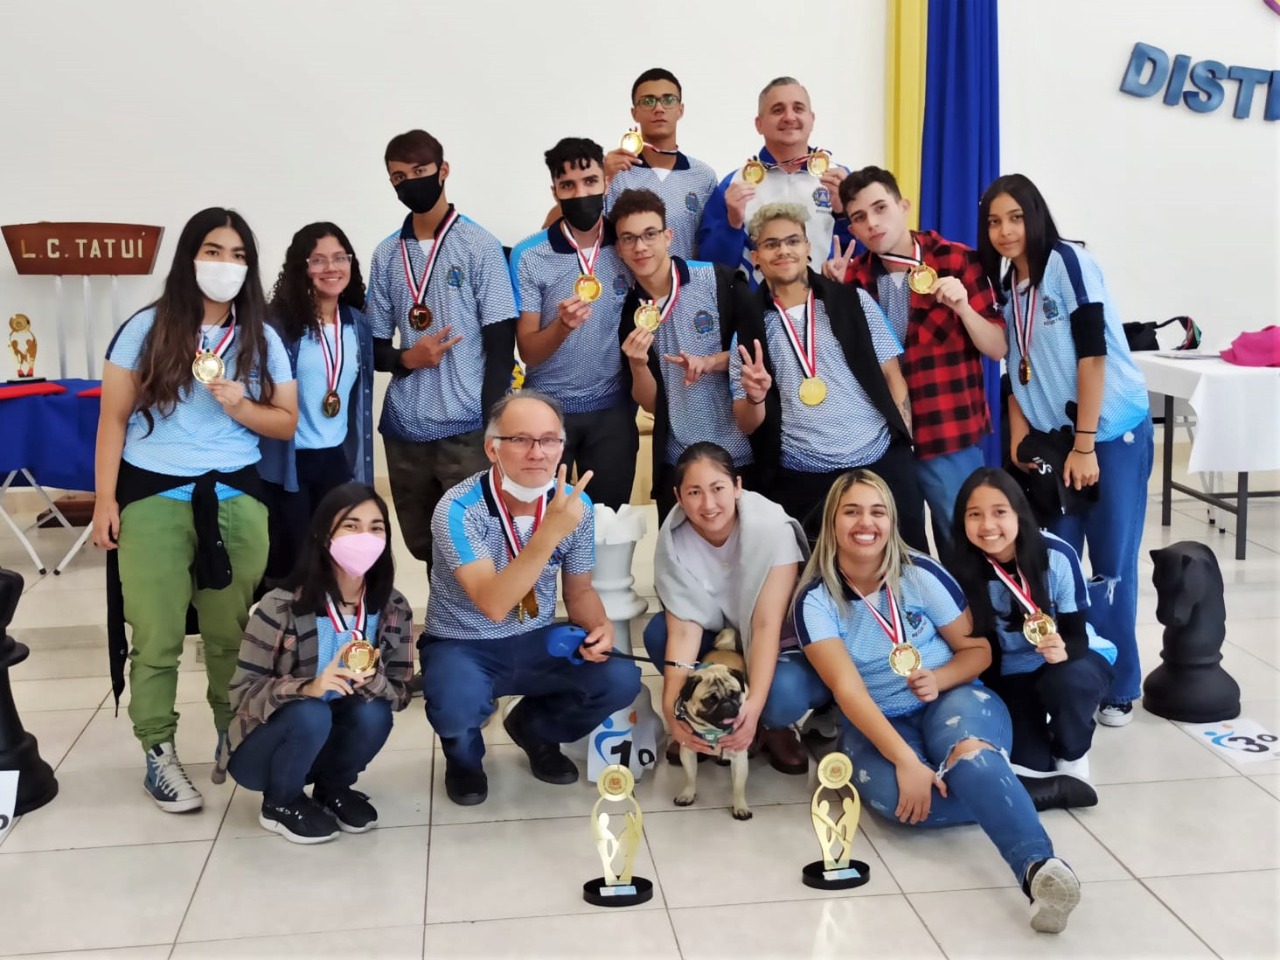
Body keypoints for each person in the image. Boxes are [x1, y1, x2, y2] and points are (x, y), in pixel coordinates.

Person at [794, 470, 1081, 934]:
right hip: (880, 718)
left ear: (891, 521)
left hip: (954, 697)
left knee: (969, 755)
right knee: (902, 803)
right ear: (831, 522)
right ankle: (1013, 791)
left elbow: (980, 650)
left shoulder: (920, 573)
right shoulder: (815, 600)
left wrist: (940, 677)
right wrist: (906, 760)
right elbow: (848, 693)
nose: (864, 523)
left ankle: (1038, 870)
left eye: (877, 511)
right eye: (851, 511)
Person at [91, 207, 297, 813]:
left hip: (235, 497)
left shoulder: (261, 335)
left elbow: (284, 423)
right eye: (213, 251)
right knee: (154, 636)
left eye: (238, 256)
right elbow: (113, 419)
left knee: (230, 635)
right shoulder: (147, 328)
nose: (225, 266)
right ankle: (159, 752)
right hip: (154, 498)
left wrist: (237, 405)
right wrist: (106, 498)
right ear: (188, 258)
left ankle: (234, 740)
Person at [978, 173, 1152, 727]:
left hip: (1109, 435)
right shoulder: (1008, 284)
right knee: (1058, 563)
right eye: (993, 221)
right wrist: (1017, 439)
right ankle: (1071, 673)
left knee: (1110, 566)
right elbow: (1014, 368)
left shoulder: (1068, 263)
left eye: (1015, 217)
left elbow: (1093, 357)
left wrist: (1085, 444)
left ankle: (1120, 683)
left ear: (1035, 215)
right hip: (1054, 443)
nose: (1005, 231)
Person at [420, 391, 642, 806]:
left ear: (562, 446)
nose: (537, 452)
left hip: (535, 638)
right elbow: (493, 604)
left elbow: (579, 590)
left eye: (549, 440)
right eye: (520, 439)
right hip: (463, 642)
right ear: (492, 448)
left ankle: (536, 732)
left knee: (619, 679)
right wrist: (551, 532)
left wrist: (600, 627)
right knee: (455, 702)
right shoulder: (457, 509)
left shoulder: (576, 505)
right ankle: (464, 760)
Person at [728, 202, 926, 550]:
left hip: (878, 461)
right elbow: (745, 423)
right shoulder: (747, 330)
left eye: (793, 240)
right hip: (802, 477)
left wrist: (904, 444)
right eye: (771, 244)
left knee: (906, 567)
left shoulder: (854, 302)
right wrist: (755, 396)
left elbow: (893, 375)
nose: (784, 250)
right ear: (756, 256)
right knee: (815, 578)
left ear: (807, 248)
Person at [834, 167, 1007, 558]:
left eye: (881, 208)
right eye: (859, 217)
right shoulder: (854, 280)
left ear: (904, 205)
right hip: (885, 442)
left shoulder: (957, 260)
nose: (873, 223)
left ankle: (977, 619)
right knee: (899, 549)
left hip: (948, 434)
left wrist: (963, 307)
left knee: (964, 540)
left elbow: (998, 347)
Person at [365, 129, 518, 571]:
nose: (409, 182)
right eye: (398, 177)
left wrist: (494, 426)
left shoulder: (480, 246)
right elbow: (373, 347)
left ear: (443, 171)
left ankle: (481, 632)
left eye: (419, 172)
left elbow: (501, 345)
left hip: (467, 426)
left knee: (475, 542)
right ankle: (444, 632)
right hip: (405, 429)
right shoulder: (385, 255)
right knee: (424, 545)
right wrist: (406, 358)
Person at [227, 484, 414, 843]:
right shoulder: (280, 606)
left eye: (376, 527)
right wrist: (307, 688)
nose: (366, 537)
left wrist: (373, 681)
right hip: (265, 749)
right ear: (322, 534)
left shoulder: (393, 607)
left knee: (373, 712)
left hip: (332, 739)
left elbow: (400, 694)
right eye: (351, 525)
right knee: (311, 711)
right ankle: (280, 802)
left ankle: (332, 789)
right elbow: (241, 693)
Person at [650, 443, 826, 774]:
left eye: (718, 489)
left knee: (780, 695)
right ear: (678, 495)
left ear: (737, 487)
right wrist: (674, 712)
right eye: (694, 492)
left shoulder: (772, 529)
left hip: (775, 639)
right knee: (659, 633)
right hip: (722, 639)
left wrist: (754, 707)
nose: (708, 504)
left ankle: (772, 727)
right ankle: (699, 724)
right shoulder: (673, 539)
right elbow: (685, 630)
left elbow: (764, 627)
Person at [949, 467, 1115, 810]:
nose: (988, 526)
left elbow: (1077, 633)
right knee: (1030, 767)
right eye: (974, 515)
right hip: (1010, 671)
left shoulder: (1056, 554)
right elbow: (981, 647)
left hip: (1067, 661)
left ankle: (1072, 751)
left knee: (1070, 682)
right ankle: (1042, 731)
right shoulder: (960, 567)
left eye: (999, 512)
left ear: (1018, 512)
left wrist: (1063, 649)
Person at [511, 138, 637, 509]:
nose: (581, 192)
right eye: (568, 185)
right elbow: (528, 351)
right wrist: (562, 327)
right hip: (546, 414)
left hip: (612, 412)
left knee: (610, 526)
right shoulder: (530, 255)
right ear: (555, 192)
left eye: (590, 181)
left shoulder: (627, 246)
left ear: (605, 183)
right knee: (546, 531)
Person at [613, 188, 753, 521]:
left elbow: (758, 350)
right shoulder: (626, 310)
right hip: (678, 460)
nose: (641, 247)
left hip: (740, 453)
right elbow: (650, 403)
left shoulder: (719, 280)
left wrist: (712, 362)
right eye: (629, 239)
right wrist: (637, 363)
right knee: (680, 567)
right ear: (618, 249)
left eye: (650, 234)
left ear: (668, 236)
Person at [258, 223, 375, 583]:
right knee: (288, 565)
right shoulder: (277, 324)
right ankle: (280, 637)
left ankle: (330, 634)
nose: (331, 268)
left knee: (335, 561)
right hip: (287, 464)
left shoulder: (357, 323)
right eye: (318, 260)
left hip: (336, 459)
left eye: (340, 258)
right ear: (301, 267)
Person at [697, 77, 852, 287]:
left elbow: (863, 257)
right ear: (759, 124)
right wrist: (732, 224)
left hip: (825, 308)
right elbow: (711, 268)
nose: (789, 117)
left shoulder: (839, 179)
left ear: (812, 119)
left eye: (798, 108)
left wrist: (843, 215)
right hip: (757, 312)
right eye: (778, 110)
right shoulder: (734, 184)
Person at [601, 68, 718, 260]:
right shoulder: (614, 172)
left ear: (681, 110)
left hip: (685, 286)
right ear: (634, 112)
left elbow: (707, 243)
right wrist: (600, 180)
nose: (659, 108)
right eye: (648, 101)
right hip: (627, 288)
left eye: (668, 99)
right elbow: (580, 230)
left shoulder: (703, 176)